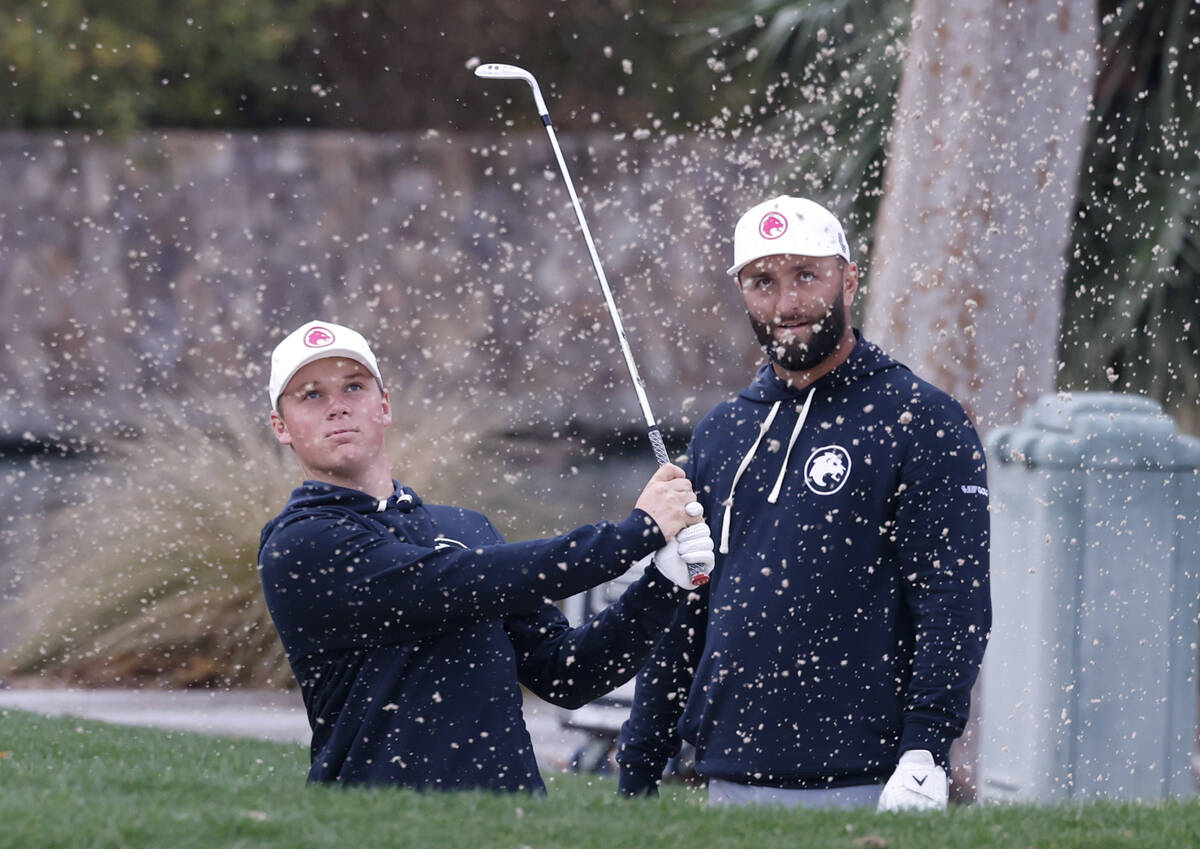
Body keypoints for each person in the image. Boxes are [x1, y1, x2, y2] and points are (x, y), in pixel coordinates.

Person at [616, 196, 991, 811]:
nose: (786, 305)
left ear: (848, 278)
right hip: (726, 776)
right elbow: (686, 607)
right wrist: (638, 766)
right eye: (764, 282)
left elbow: (954, 599)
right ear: (741, 290)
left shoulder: (921, 420)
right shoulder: (721, 432)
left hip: (869, 779)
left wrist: (925, 749)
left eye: (805, 277)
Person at [258, 319, 715, 792]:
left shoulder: (465, 528)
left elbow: (569, 674)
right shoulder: (301, 544)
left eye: (353, 386)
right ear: (281, 426)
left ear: (383, 405)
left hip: (508, 823)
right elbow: (455, 582)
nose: (337, 407)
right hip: (377, 825)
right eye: (311, 395)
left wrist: (663, 585)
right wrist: (634, 536)